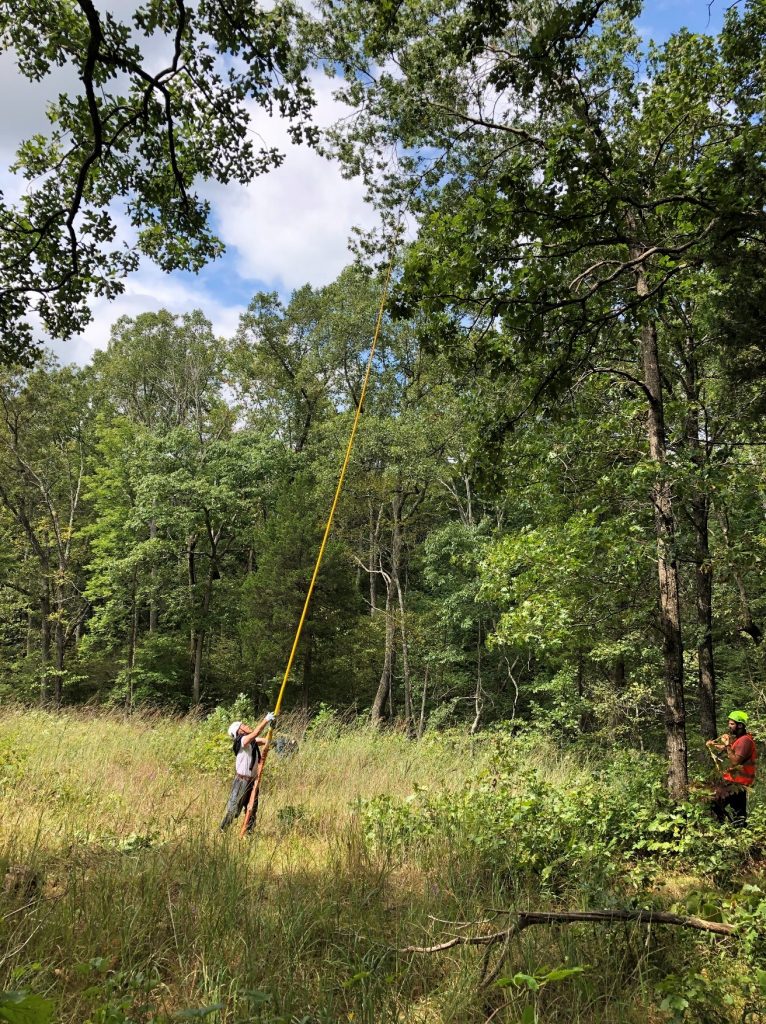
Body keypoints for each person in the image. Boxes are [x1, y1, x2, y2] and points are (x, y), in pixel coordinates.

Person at [220, 711, 276, 834]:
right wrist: (265, 720)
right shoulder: (242, 741)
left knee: (252, 809)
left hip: (252, 781)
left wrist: (271, 728)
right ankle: (222, 831)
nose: (246, 725)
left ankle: (248, 833)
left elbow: (267, 741)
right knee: (234, 809)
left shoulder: (252, 741)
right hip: (241, 781)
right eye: (243, 725)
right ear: (239, 731)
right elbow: (256, 733)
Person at [706, 710, 757, 826]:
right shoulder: (739, 739)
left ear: (740, 725)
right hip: (734, 781)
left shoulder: (745, 741)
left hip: (739, 783)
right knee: (717, 803)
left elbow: (735, 761)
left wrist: (728, 744)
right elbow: (727, 750)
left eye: (732, 724)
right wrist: (713, 745)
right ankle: (727, 827)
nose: (729, 726)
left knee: (733, 810)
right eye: (729, 723)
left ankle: (730, 829)